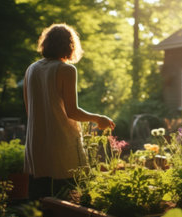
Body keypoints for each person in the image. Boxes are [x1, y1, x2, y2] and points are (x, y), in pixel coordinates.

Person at [23, 23, 115, 199]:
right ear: (70, 45)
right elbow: (72, 112)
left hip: (36, 142)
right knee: (68, 196)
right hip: (60, 142)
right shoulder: (66, 69)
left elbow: (30, 110)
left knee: (38, 200)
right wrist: (99, 118)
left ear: (46, 43)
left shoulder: (31, 69)